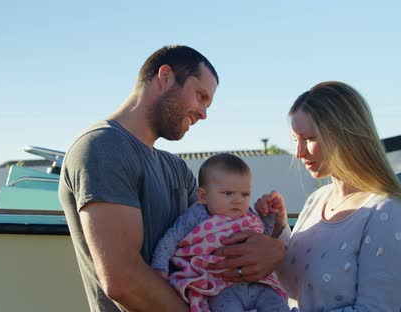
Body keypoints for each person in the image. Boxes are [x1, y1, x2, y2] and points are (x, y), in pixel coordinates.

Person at [58, 45, 286, 311]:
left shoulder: (177, 169)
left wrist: (275, 248)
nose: (204, 113)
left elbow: (214, 237)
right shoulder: (103, 146)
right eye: (200, 96)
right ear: (165, 77)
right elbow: (123, 280)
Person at [253, 81, 401, 311]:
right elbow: (293, 287)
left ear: (344, 135)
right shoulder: (318, 199)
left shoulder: (388, 214)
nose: (299, 153)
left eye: (309, 139)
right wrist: (279, 229)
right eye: (295, 140)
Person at [151, 153, 290, 312]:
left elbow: (263, 236)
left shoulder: (249, 215)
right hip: (220, 288)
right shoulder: (198, 215)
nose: (238, 200)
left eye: (245, 194)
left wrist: (270, 214)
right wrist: (159, 267)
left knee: (278, 306)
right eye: (228, 193)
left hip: (260, 285)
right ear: (203, 196)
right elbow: (172, 238)